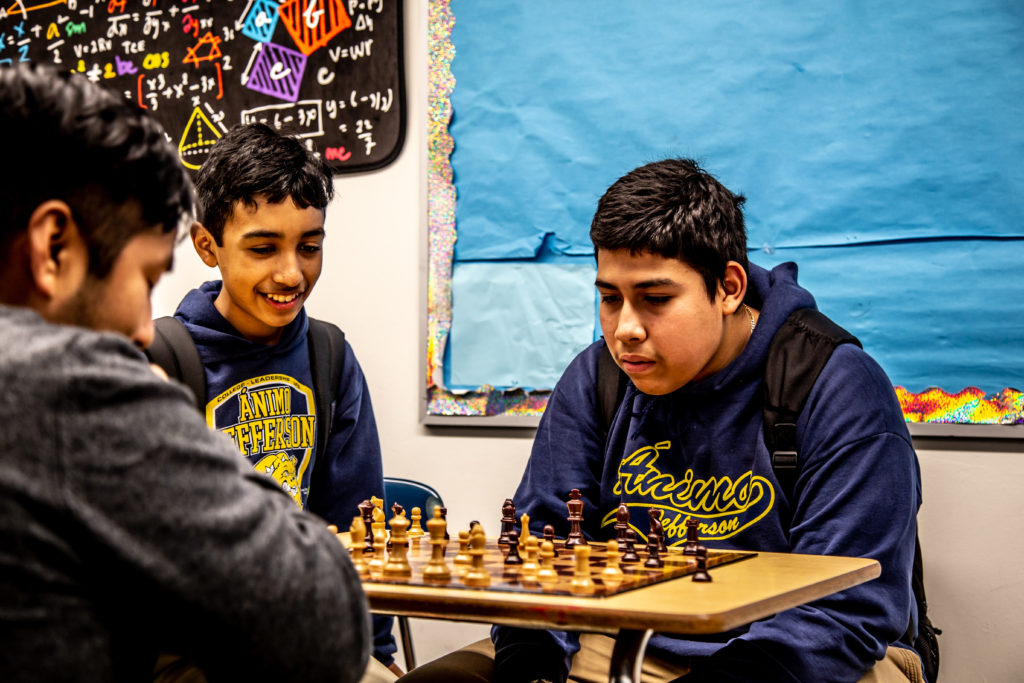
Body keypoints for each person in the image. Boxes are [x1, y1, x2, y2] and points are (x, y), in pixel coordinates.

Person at [399, 158, 924, 683]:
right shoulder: (597, 375)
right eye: (609, 298)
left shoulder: (834, 383)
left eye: (655, 299)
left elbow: (847, 608)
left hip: (809, 651)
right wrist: (531, 670)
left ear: (728, 288)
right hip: (621, 637)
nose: (625, 329)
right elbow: (543, 554)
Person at [0, 63, 374, 682]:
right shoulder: (72, 385)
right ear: (54, 247)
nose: (145, 326)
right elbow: (325, 624)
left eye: (309, 246)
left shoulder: (331, 355)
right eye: (145, 280)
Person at [147, 122, 400, 676]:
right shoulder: (159, 359)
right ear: (207, 246)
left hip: (307, 636)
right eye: (263, 248)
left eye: (310, 247)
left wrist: (374, 656)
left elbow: (358, 531)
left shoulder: (329, 356)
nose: (291, 273)